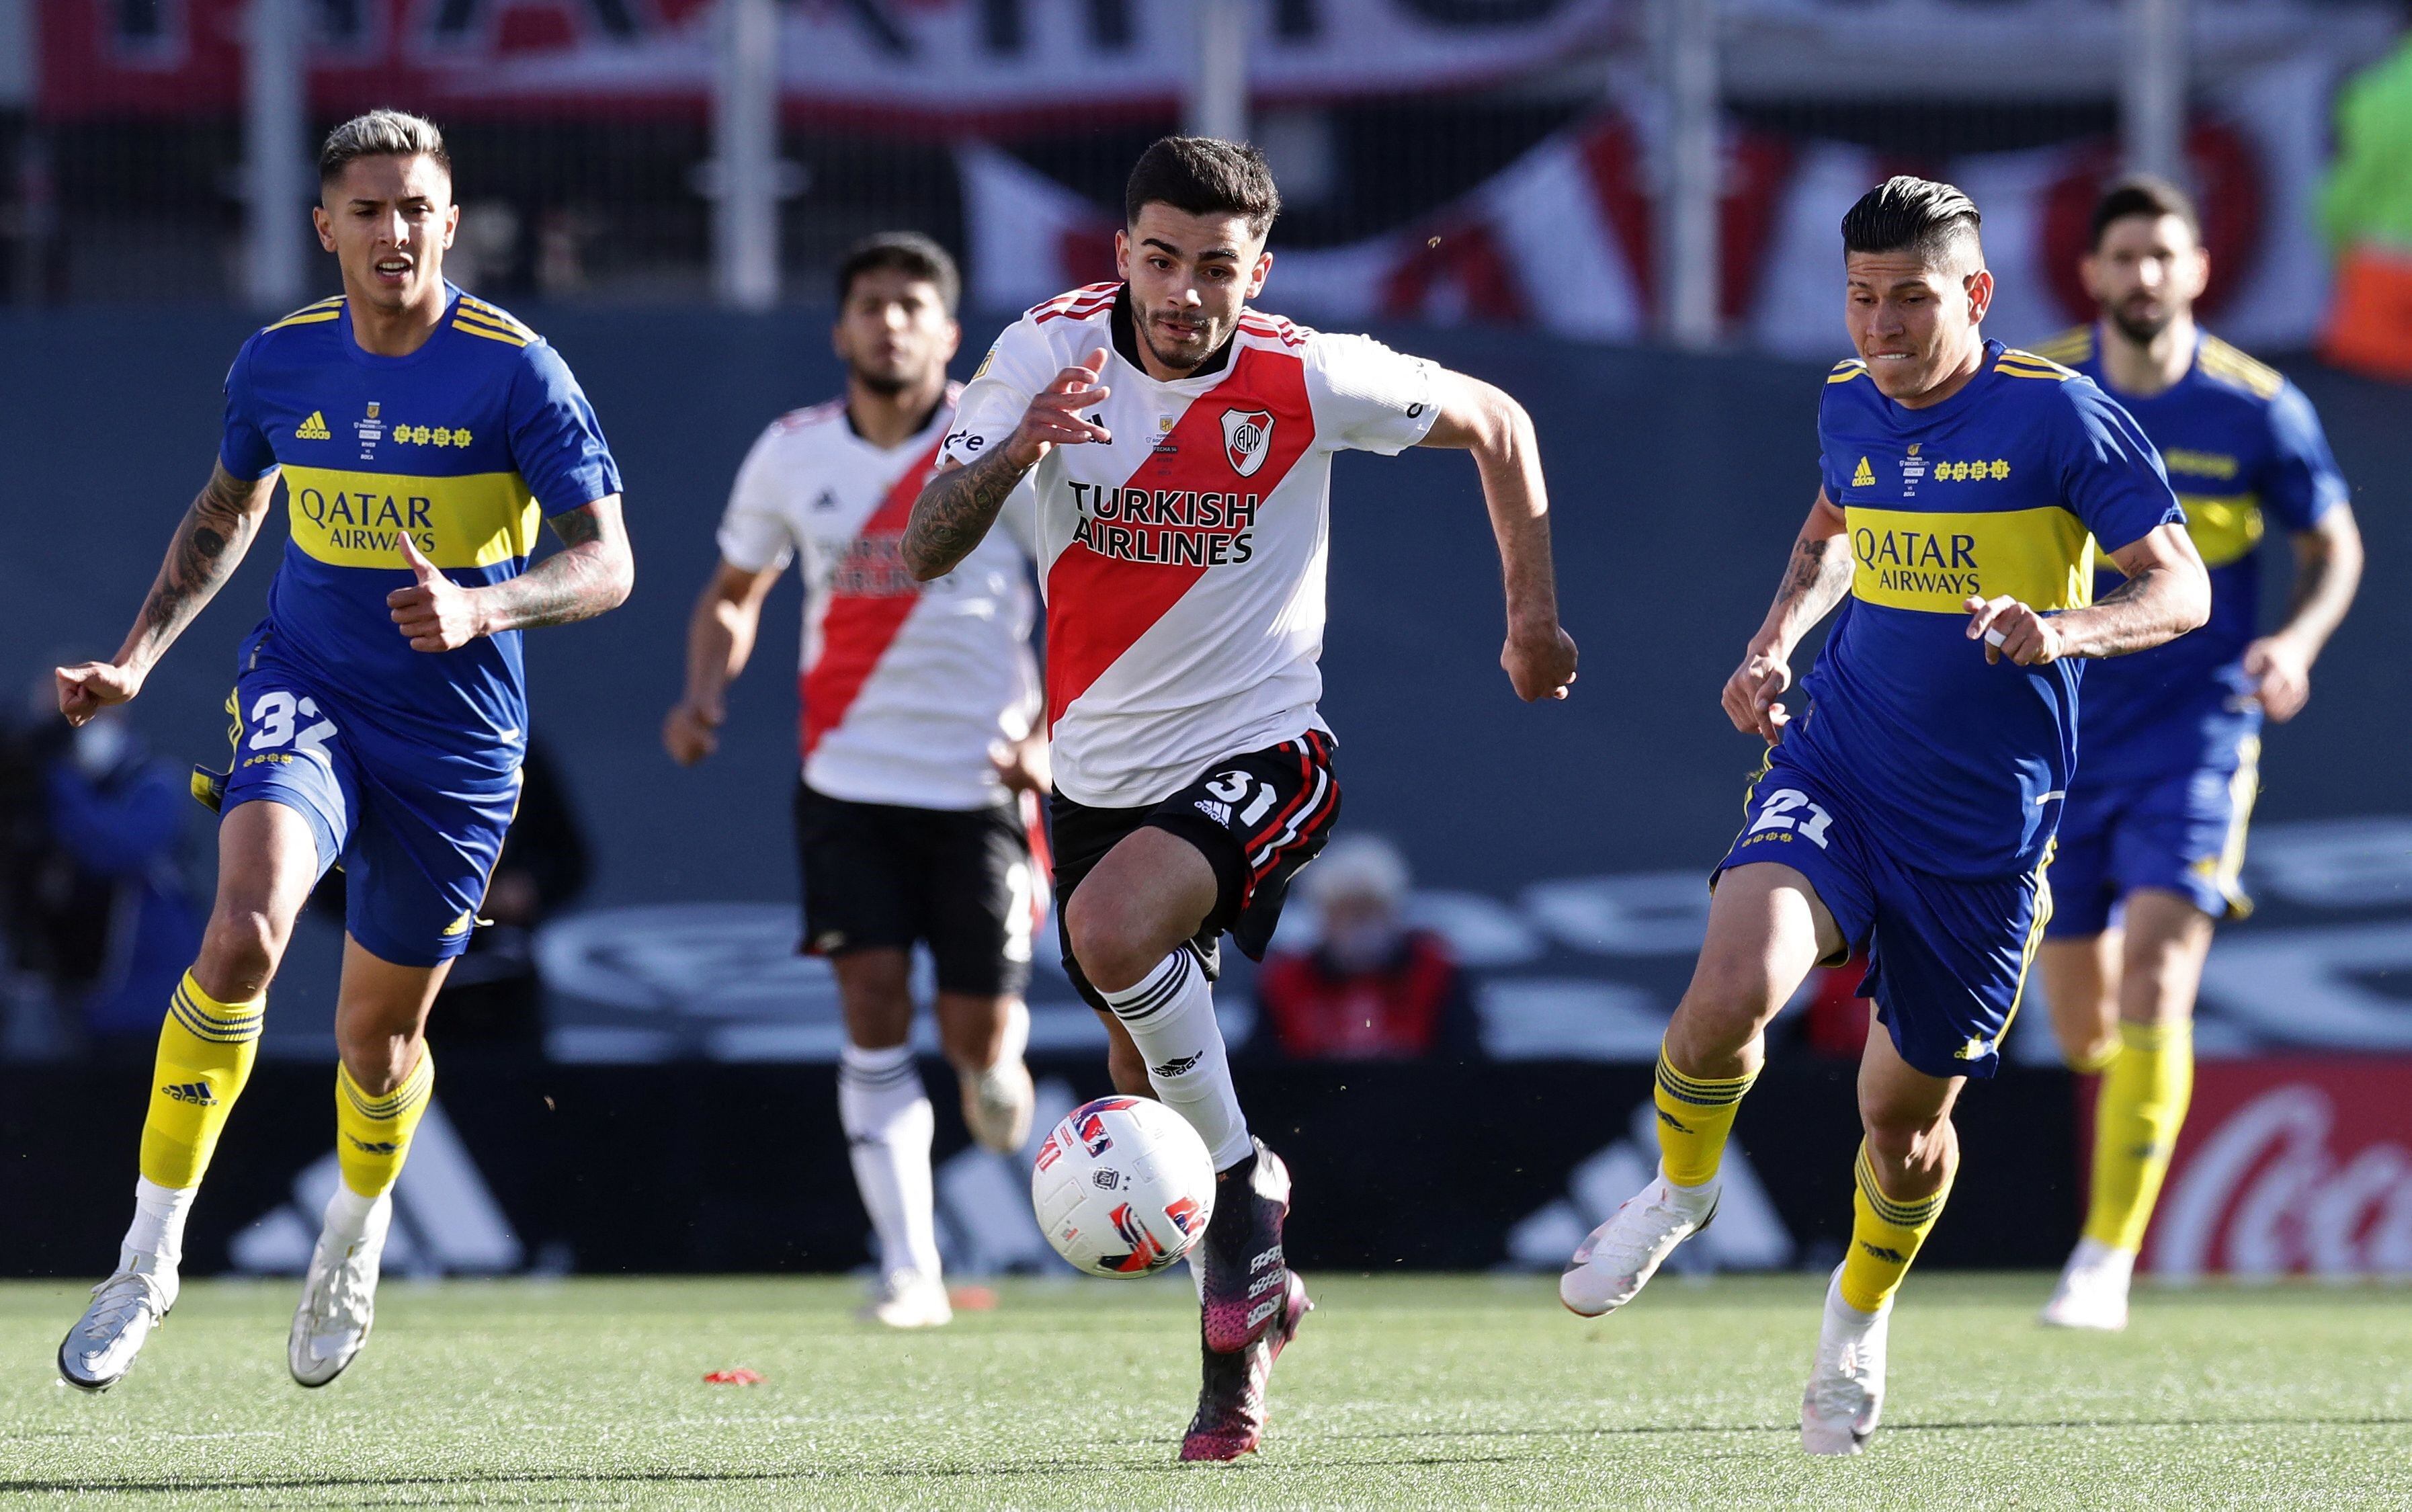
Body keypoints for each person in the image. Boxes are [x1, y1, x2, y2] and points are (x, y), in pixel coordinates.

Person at [903, 136, 1578, 1461]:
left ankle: (1247, 1217)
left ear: (1256, 271)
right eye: (1159, 259)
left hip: (1269, 755)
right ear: (1122, 256)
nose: (1182, 291)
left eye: (1215, 267)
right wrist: (1018, 448)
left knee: (1106, 942)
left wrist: (1534, 623)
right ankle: (1244, 1315)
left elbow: (1502, 422)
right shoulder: (1041, 357)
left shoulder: (1305, 373)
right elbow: (927, 542)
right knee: (1144, 1117)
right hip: (1096, 782)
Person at [1557, 177, 2208, 1456]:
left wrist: (2061, 630)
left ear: (1971, 294)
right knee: (1729, 986)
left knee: (1901, 1129)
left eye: (1907, 298)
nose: (1877, 326)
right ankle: (1679, 1195)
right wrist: (1771, 641)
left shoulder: (2059, 417)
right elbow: (1836, 521)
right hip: (1838, 765)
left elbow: (2178, 589)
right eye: (1858, 297)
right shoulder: (1845, 404)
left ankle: (1853, 1318)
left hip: (1983, 831)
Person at [51, 109, 631, 1392]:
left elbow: (610, 562)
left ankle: (354, 1234)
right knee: (244, 932)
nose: (393, 232)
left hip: (458, 739)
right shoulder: (278, 363)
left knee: (378, 1048)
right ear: (325, 227)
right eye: (366, 210)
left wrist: (487, 601)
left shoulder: (516, 369)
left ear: (450, 221)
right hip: (305, 688)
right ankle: (148, 1260)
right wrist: (140, 656)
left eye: (416, 208)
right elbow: (225, 511)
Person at [663, 232, 1045, 1331]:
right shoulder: (791, 453)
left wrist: (1052, 743)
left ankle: (992, 1072)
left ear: (949, 332)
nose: (889, 324)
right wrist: (703, 694)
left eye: (910, 306)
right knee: (871, 1010)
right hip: (846, 784)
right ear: (837, 330)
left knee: (977, 1047)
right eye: (869, 305)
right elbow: (735, 591)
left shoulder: (1004, 452)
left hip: (980, 784)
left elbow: (1077, 603)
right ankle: (911, 1269)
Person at [2028, 179, 2361, 1330]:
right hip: (2064, 733)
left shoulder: (2255, 408)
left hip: (2199, 730)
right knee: (2078, 1026)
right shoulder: (2043, 392)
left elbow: (2334, 545)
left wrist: (2294, 639)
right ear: (2091, 274)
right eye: (2122, 257)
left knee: (2161, 978)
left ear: (2198, 270)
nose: (2142, 278)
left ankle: (2103, 1260)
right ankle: (2115, 1119)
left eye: (2161, 256)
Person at [1252, 834, 1481, 1061]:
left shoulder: (1435, 975)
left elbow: (1467, 1067)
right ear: (1324, 918)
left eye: (1370, 909)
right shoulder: (1287, 983)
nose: (1359, 924)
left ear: (1394, 911)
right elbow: (1264, 1072)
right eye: (1345, 911)